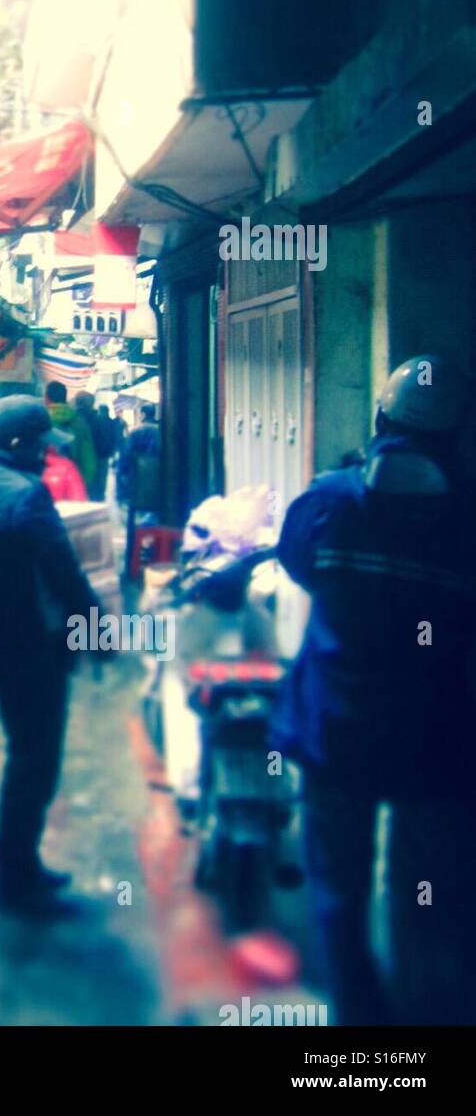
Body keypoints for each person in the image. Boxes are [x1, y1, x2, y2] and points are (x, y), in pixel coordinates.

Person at [273, 355, 476, 1025]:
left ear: (382, 416)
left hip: (338, 727)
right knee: (427, 896)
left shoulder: (328, 502)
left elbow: (298, 564)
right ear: (454, 434)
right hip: (433, 737)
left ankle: (360, 1033)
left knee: (339, 889)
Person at [0, 395, 103, 916]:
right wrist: (100, 628)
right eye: (41, 447)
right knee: (34, 756)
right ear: (21, 445)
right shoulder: (27, 495)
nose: (46, 457)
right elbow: (66, 574)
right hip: (29, 644)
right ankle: (17, 873)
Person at [44, 381, 98, 498]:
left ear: (46, 398)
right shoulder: (79, 422)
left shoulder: (40, 419)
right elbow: (87, 457)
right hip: (72, 481)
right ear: (65, 397)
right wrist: (84, 481)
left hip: (43, 484)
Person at [88, 400, 120, 501]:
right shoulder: (112, 423)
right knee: (103, 475)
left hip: (95, 453)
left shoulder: (94, 422)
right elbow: (115, 438)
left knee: (95, 474)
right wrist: (113, 451)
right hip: (105, 453)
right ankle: (100, 494)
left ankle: (96, 494)